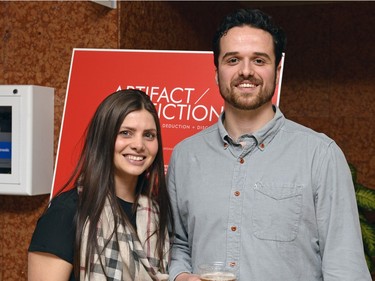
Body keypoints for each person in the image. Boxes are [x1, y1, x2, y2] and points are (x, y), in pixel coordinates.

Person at [167, 8, 371, 281]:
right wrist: (180, 275)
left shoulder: (320, 156)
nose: (246, 71)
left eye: (259, 60)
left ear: (277, 69)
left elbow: (346, 269)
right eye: (233, 60)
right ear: (216, 72)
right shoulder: (185, 156)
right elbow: (178, 244)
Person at [28, 89, 174, 281]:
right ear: (103, 138)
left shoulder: (157, 214)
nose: (139, 145)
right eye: (126, 133)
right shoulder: (66, 212)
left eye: (148, 135)